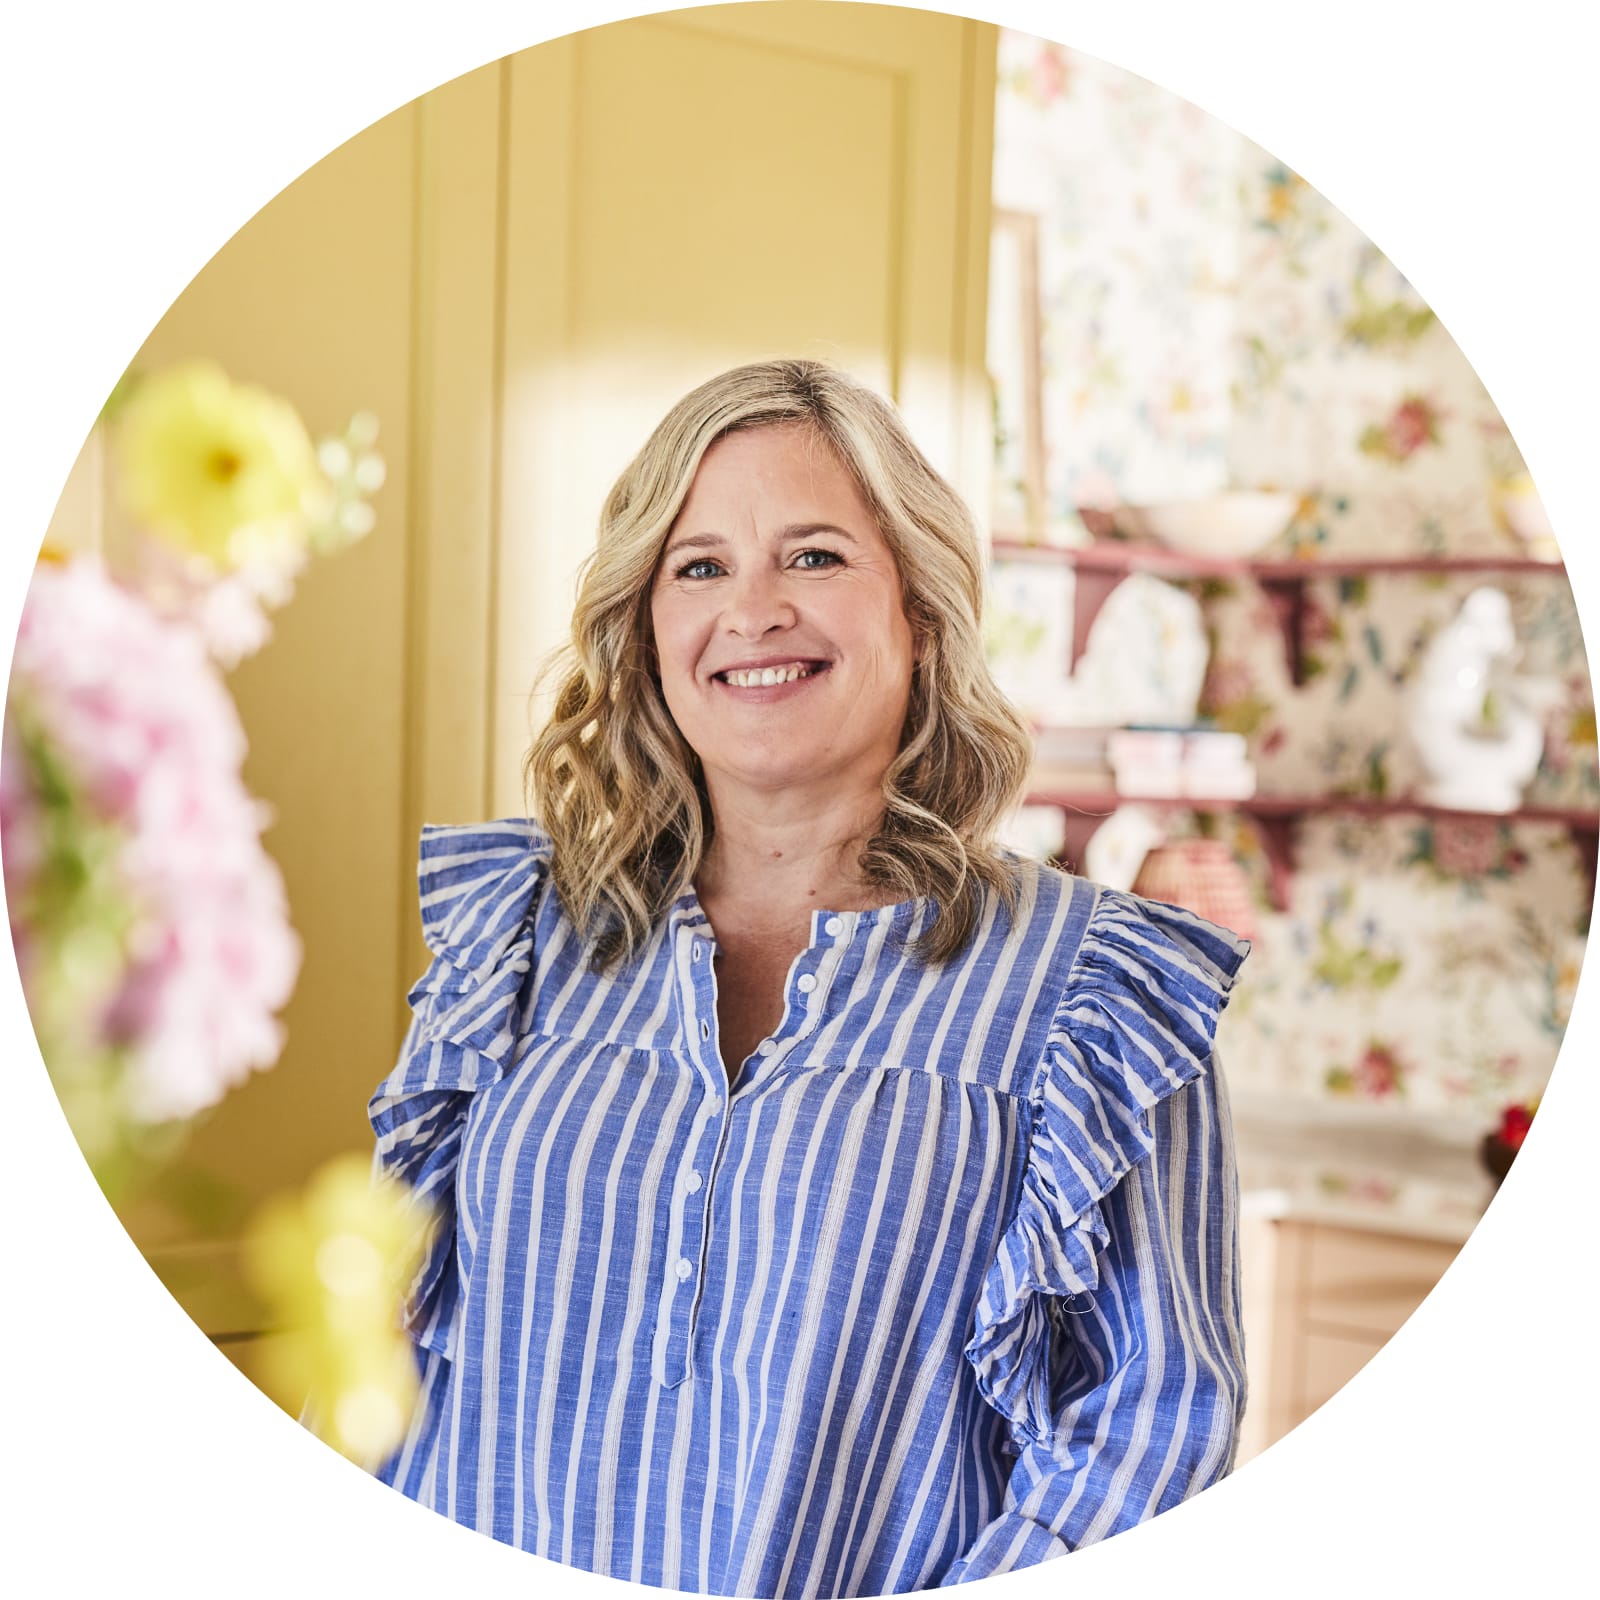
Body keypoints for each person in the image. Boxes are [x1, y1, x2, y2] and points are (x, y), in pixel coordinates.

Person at [368, 359, 1250, 1596]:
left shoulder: (1095, 992)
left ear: (919, 614)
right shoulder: (513, 937)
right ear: (647, 628)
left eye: (817, 556)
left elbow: (1156, 1424)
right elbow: (380, 1348)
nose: (754, 610)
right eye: (700, 566)